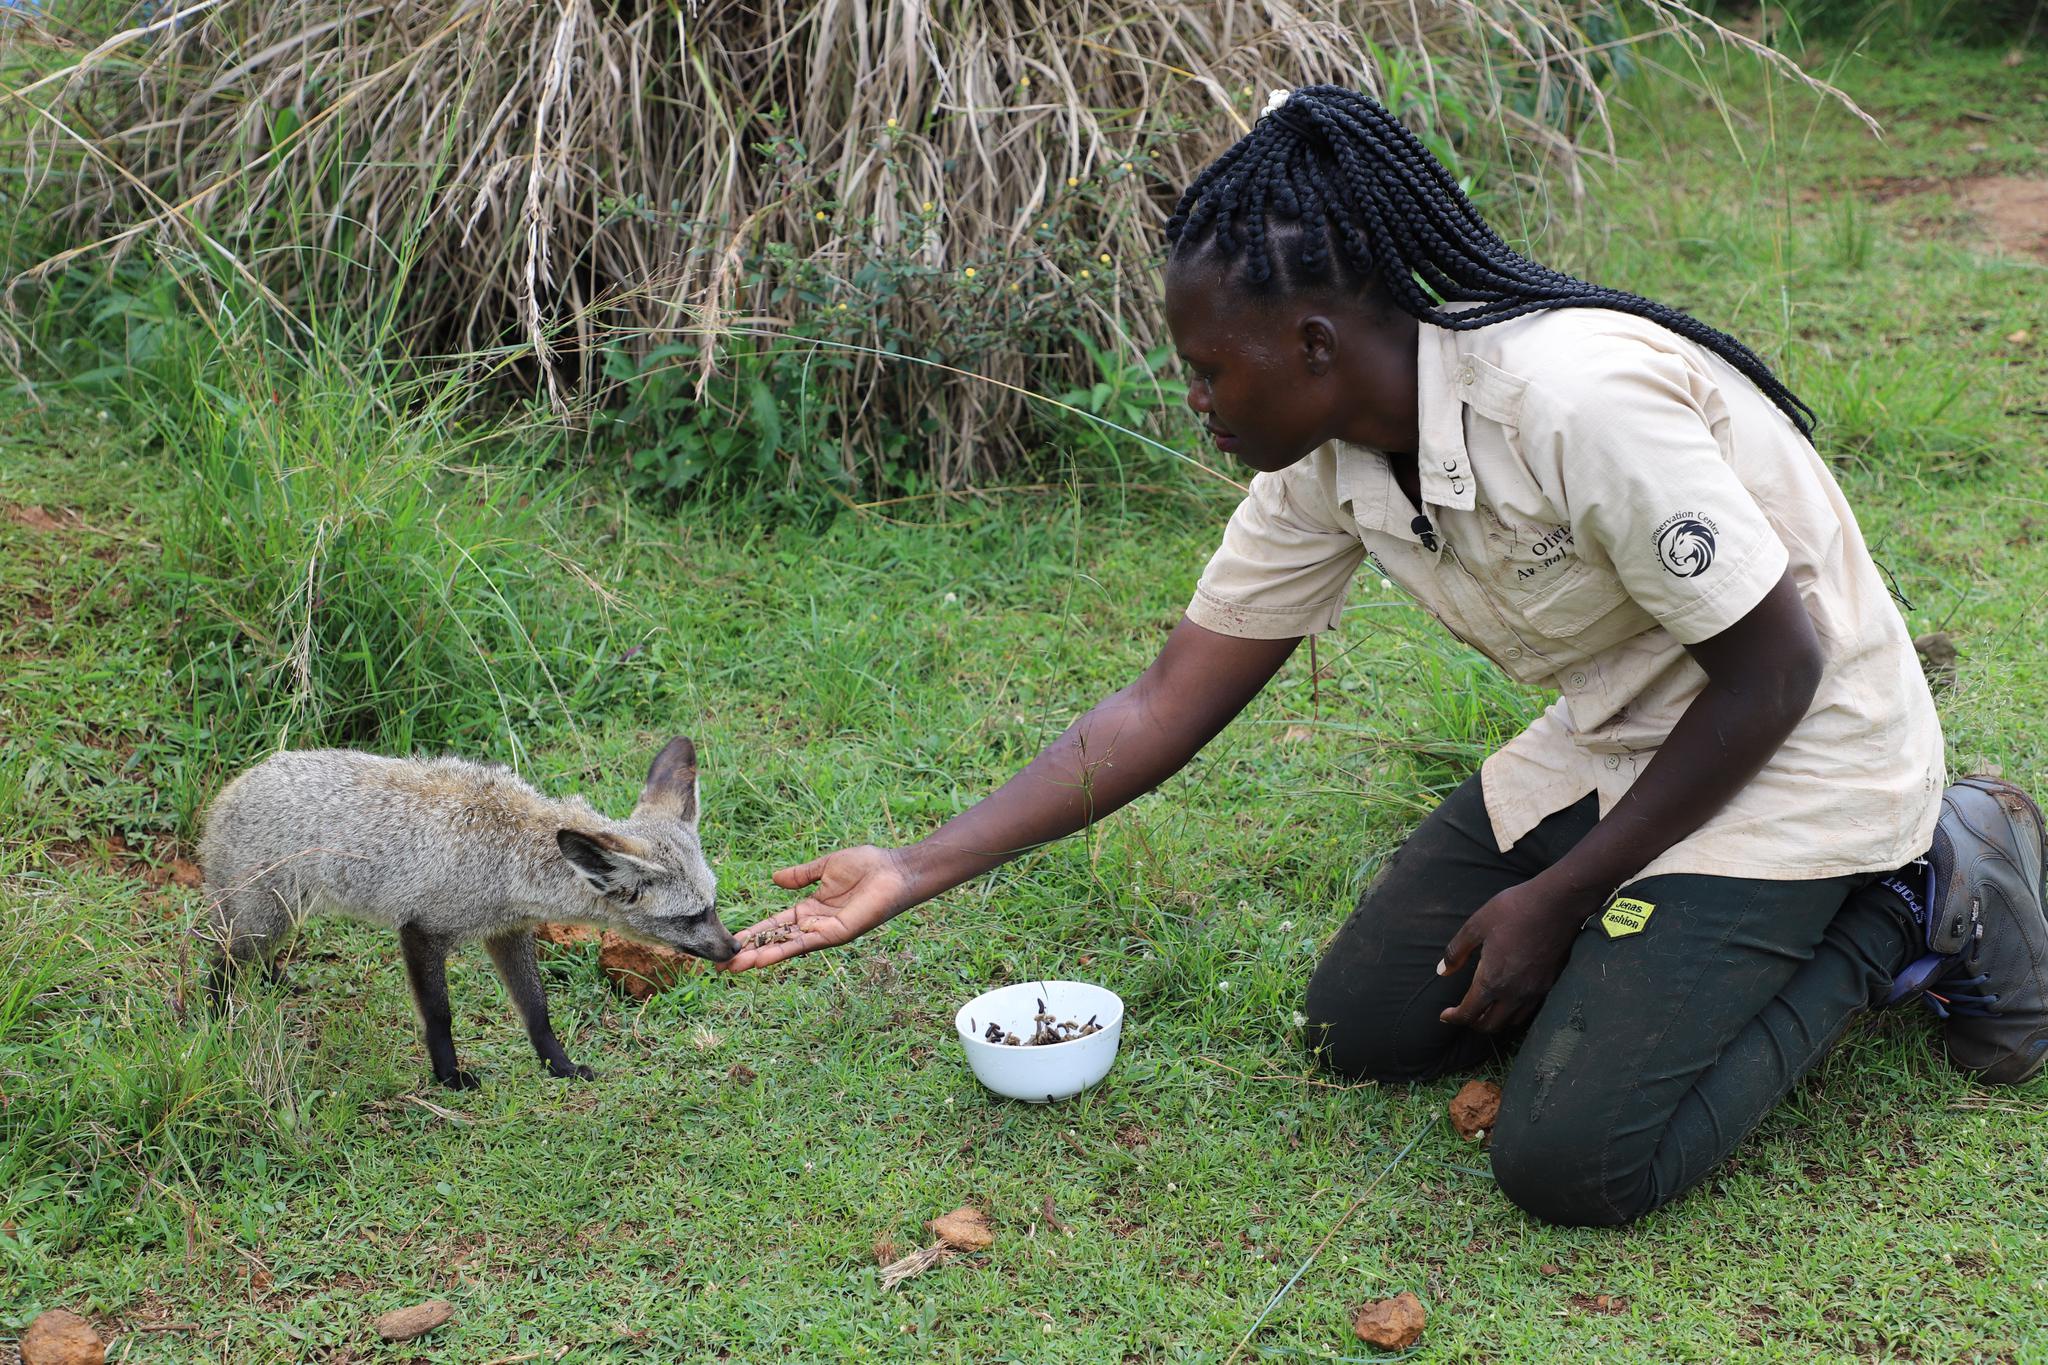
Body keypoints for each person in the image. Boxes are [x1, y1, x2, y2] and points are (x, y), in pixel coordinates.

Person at [725, 85, 2047, 1227]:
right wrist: (914, 866)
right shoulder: (1327, 460)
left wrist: (1560, 896)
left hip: (1801, 746)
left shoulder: (1573, 403)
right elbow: (1164, 703)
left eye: (1208, 370)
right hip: (1630, 735)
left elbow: (1777, 673)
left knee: (1573, 1159)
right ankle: (1661, 941)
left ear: (1313, 345)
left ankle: (1921, 884)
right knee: (1359, 1027)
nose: (1193, 400)